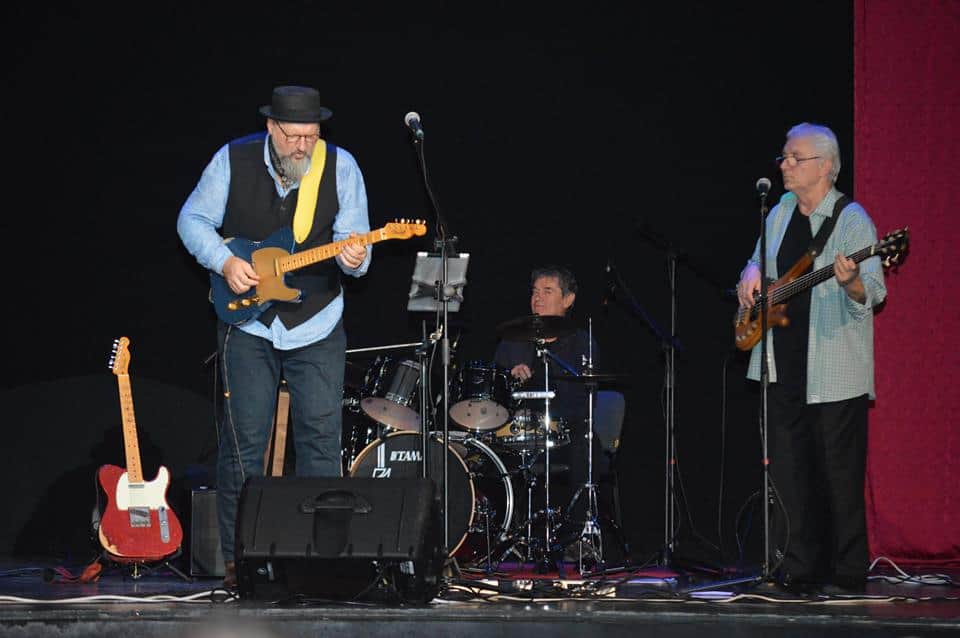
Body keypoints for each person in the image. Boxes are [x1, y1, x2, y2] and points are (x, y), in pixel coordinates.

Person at [177, 86, 371, 587]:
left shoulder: (341, 166)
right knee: (243, 446)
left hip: (317, 322)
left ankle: (322, 564)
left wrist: (356, 257)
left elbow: (356, 247)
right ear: (271, 127)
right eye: (293, 137)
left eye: (311, 136)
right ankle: (240, 563)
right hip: (249, 324)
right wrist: (225, 262)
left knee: (321, 443)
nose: (303, 147)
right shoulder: (232, 158)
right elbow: (191, 219)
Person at [737, 123, 886, 591]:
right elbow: (757, 260)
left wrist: (851, 282)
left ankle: (847, 573)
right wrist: (751, 271)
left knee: (839, 475)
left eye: (794, 158)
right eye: (784, 157)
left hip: (833, 370)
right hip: (781, 364)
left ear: (824, 167)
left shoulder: (852, 220)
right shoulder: (780, 210)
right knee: (789, 473)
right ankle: (796, 568)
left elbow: (873, 292)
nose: (784, 165)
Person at [492, 266, 601, 559]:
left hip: (563, 434)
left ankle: (578, 537)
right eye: (534, 292)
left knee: (587, 442)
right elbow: (492, 394)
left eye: (547, 291)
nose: (537, 298)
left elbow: (582, 402)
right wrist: (510, 379)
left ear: (568, 299)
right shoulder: (513, 340)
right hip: (517, 434)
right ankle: (500, 535)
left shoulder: (581, 342)